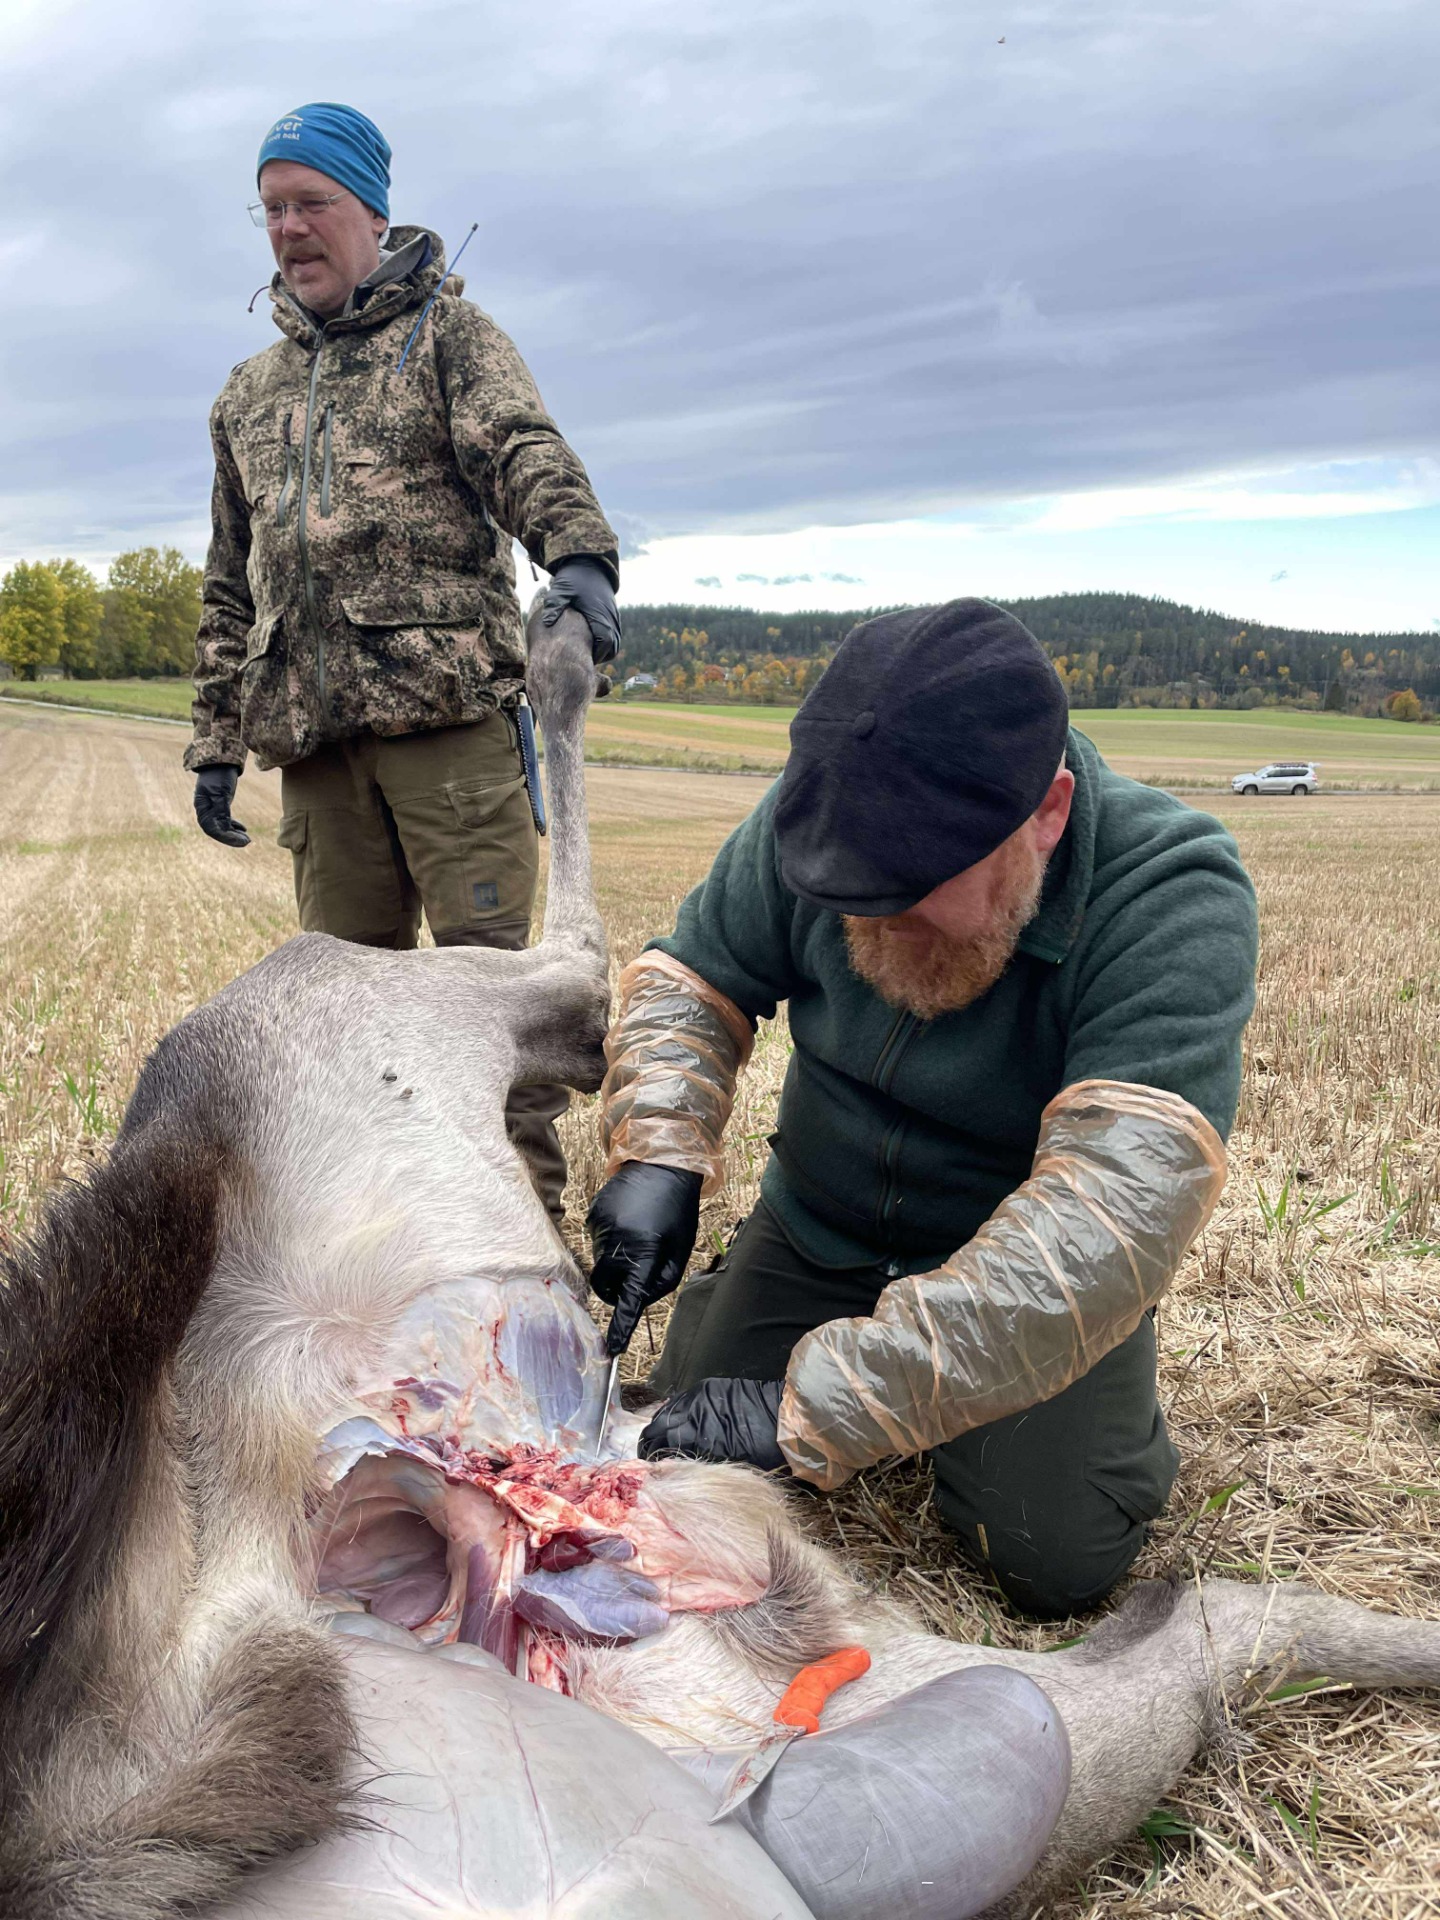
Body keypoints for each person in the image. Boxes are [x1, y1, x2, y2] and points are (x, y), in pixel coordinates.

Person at [586, 599, 1258, 1619]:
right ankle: (806, 1320)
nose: (867, 919)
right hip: (820, 1225)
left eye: (908, 893)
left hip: (1022, 1263)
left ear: (1047, 811)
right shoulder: (823, 819)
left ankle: (1056, 1399)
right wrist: (659, 1154)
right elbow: (693, 981)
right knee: (676, 1450)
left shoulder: (1171, 890)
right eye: (847, 891)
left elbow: (1113, 1218)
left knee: (1050, 1556)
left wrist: (815, 1407)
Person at [184, 102, 620, 1221]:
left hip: (452, 742)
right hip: (319, 759)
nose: (288, 229)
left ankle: (535, 1277)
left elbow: (524, 450)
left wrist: (576, 559)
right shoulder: (247, 394)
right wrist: (215, 742)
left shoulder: (449, 341)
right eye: (271, 208)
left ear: (371, 209)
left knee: (502, 1031)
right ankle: (382, 1262)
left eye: (311, 204)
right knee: (336, 1037)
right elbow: (230, 583)